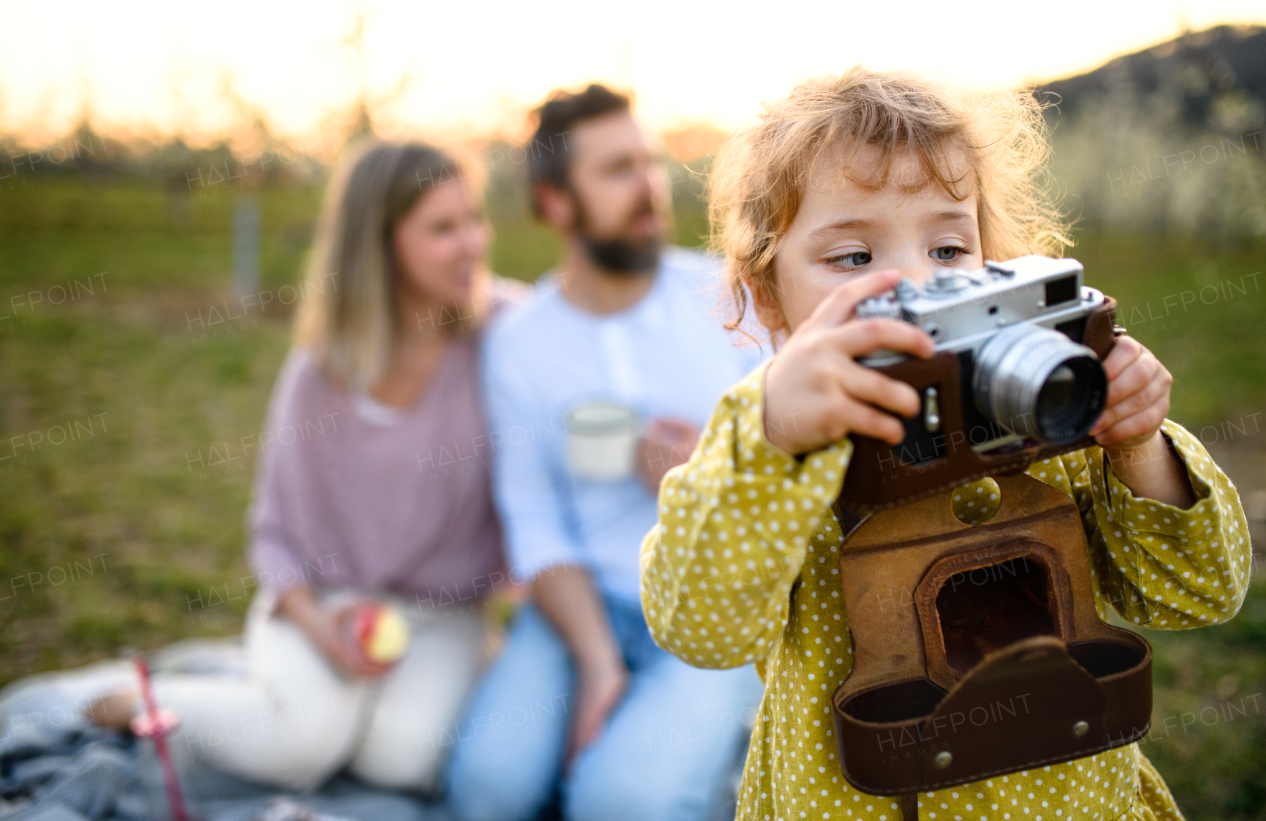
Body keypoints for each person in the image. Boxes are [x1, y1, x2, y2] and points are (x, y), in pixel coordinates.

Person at [640, 67, 1253, 821]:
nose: (911, 287)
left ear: (994, 261)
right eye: (854, 259)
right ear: (768, 296)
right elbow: (698, 627)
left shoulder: (1043, 405)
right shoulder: (775, 451)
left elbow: (1196, 594)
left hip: (1066, 798)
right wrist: (770, 437)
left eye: (949, 249)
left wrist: (1136, 443)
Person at [91, 141, 518, 795]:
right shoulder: (323, 372)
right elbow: (272, 528)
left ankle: (301, 702)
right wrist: (319, 627)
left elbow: (593, 335)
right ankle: (142, 696)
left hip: (446, 610)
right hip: (323, 598)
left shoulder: (508, 332)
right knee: (302, 744)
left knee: (403, 760)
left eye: (474, 218)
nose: (472, 244)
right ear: (380, 244)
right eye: (442, 228)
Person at [443, 85, 765, 821]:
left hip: (712, 608)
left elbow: (802, 473)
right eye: (618, 169)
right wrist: (594, 660)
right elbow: (533, 519)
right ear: (556, 202)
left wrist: (697, 478)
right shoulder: (519, 342)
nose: (649, 185)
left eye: (649, 162)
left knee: (616, 803)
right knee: (485, 789)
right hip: (576, 607)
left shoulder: (730, 301)